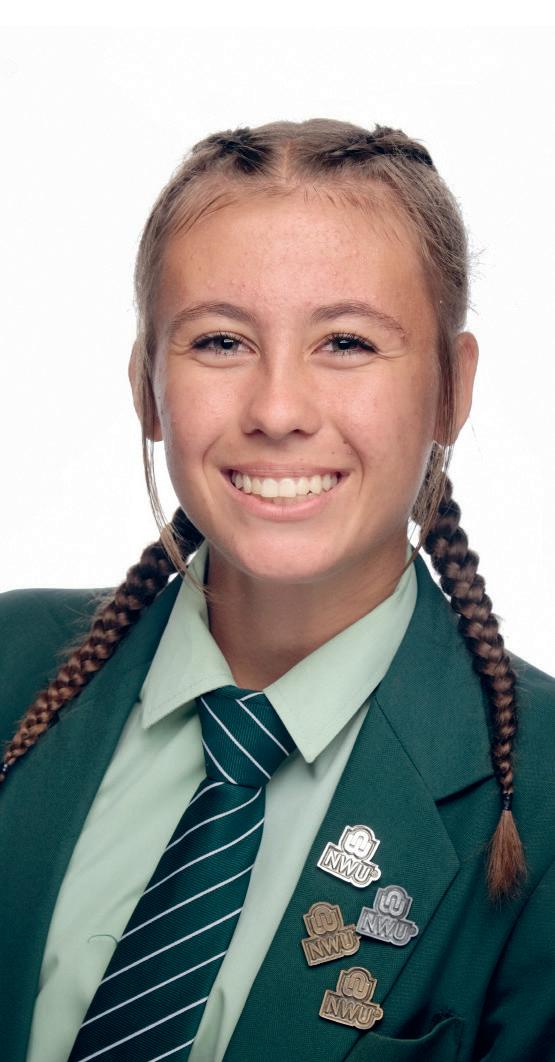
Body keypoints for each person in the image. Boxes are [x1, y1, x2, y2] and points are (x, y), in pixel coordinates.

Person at [0, 118, 553, 1062]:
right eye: (220, 341)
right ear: (145, 385)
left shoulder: (535, 793)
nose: (277, 411)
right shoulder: (11, 665)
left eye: (346, 342)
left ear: (450, 390)